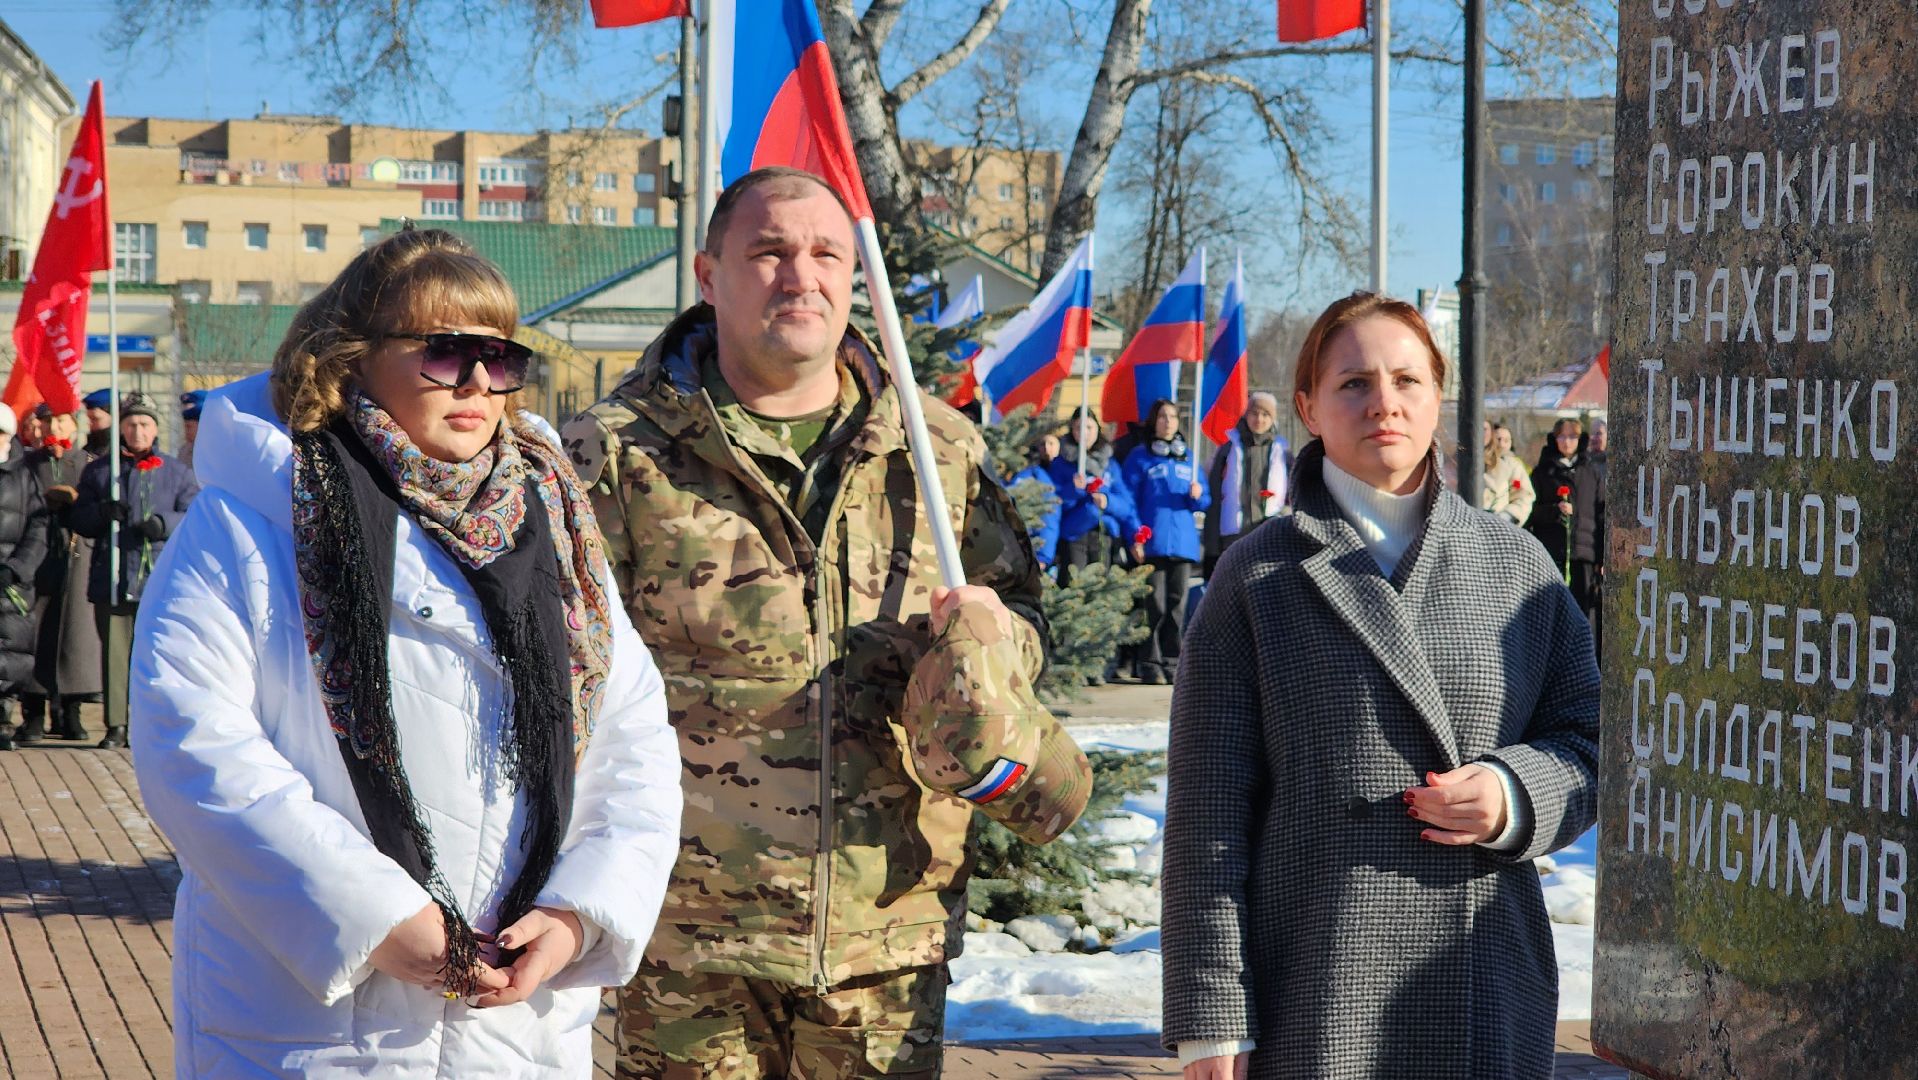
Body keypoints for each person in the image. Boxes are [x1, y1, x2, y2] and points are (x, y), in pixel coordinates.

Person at [563, 166, 1092, 1079]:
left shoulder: (935, 451)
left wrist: (985, 650)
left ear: (856, 277)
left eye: (824, 254)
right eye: (767, 251)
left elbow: (1025, 625)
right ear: (708, 273)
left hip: (884, 941)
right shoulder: (613, 457)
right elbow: (555, 678)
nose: (798, 276)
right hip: (687, 951)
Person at [128, 226, 684, 1077]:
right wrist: (375, 918)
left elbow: (634, 745)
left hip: (515, 1024)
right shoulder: (248, 520)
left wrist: (578, 914)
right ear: (352, 358)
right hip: (313, 1025)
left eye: (500, 358)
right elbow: (193, 747)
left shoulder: (556, 525)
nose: (477, 383)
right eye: (444, 352)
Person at [1161, 291, 1598, 1080]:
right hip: (1315, 982)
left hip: (1482, 976)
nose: (1383, 404)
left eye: (1407, 380)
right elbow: (1207, 812)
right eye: (1353, 383)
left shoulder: (1517, 565)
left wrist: (1514, 793)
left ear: (1439, 399)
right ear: (1309, 407)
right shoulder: (1256, 575)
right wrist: (1210, 1014)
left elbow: (1592, 742)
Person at [68, 393, 199, 748]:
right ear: (121, 429)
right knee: (115, 654)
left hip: (159, 581)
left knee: (157, 657)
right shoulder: (100, 471)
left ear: (155, 429)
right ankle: (117, 724)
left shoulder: (177, 472)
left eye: (143, 424)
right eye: (130, 424)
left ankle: (151, 724)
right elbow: (78, 518)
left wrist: (163, 523)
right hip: (112, 577)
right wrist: (101, 513)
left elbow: (194, 516)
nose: (137, 431)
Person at [18, 406, 101, 744]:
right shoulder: (29, 464)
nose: (55, 427)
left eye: (63, 420)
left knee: (74, 636)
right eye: (50, 420)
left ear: (74, 425)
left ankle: (71, 711)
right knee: (35, 631)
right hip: (37, 553)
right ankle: (33, 711)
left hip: (76, 552)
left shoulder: (86, 463)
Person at [1122, 399, 1210, 685]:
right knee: (1154, 606)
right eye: (1162, 416)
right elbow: (1128, 501)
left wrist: (1198, 495)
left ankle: (1173, 663)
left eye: (1172, 416)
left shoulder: (1188, 459)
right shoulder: (1140, 457)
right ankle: (1149, 663)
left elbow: (1205, 501)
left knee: (1176, 607)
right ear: (1153, 421)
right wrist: (1136, 535)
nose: (1168, 421)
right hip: (1153, 543)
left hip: (1182, 544)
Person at [0, 406, 49, 751]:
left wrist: (17, 567)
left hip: (12, 582)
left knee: (10, 653)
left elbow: (38, 526)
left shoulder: (26, 474)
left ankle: (2, 720)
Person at [1203, 390, 1290, 575]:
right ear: (1246, 415)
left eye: (1265, 414)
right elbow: (1215, 494)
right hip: (1234, 533)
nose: (1259, 419)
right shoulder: (1228, 450)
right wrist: (1211, 543)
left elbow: (1294, 493)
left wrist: (1285, 514)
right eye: (1254, 413)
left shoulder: (1283, 453)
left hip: (1269, 533)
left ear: (1272, 419)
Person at [1049, 406, 1137, 587]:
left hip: (1104, 535)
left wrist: (1108, 502)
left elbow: (1126, 505)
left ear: (1097, 429)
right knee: (1074, 587)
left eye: (1089, 427)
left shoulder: (1110, 464)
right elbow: (1051, 503)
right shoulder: (1061, 463)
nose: (1084, 433)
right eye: (1078, 428)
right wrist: (1073, 490)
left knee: (1100, 589)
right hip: (1074, 536)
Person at [1525, 417, 1583, 588]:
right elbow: (1531, 510)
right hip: (1551, 543)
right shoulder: (1543, 472)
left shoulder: (1588, 471)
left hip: (1581, 549)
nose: (1567, 442)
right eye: (1562, 437)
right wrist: (1554, 509)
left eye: (1572, 437)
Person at [1570, 418, 1608, 650]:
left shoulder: (1607, 467)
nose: (1595, 438)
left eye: (1600, 433)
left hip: (1592, 547)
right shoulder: (1581, 467)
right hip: (1578, 546)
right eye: (1592, 433)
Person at [1008, 432, 1063, 573]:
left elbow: (1048, 514)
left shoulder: (1045, 476)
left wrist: (1043, 556)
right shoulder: (1030, 474)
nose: (1046, 448)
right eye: (1042, 444)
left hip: (1043, 549)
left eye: (1051, 443)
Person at [1481, 420, 1535, 526]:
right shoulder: (1456, 461)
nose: (1501, 444)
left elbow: (1523, 496)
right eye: (1499, 439)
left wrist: (1507, 517)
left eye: (1506, 440)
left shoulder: (1511, 465)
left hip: (1497, 527)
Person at [178, 389, 206, 467]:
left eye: (189, 427)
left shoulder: (217, 450)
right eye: (185, 426)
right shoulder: (184, 451)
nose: (186, 431)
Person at [81, 388, 112, 455]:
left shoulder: (124, 449)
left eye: (95, 419)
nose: (90, 423)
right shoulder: (89, 447)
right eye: (89, 418)